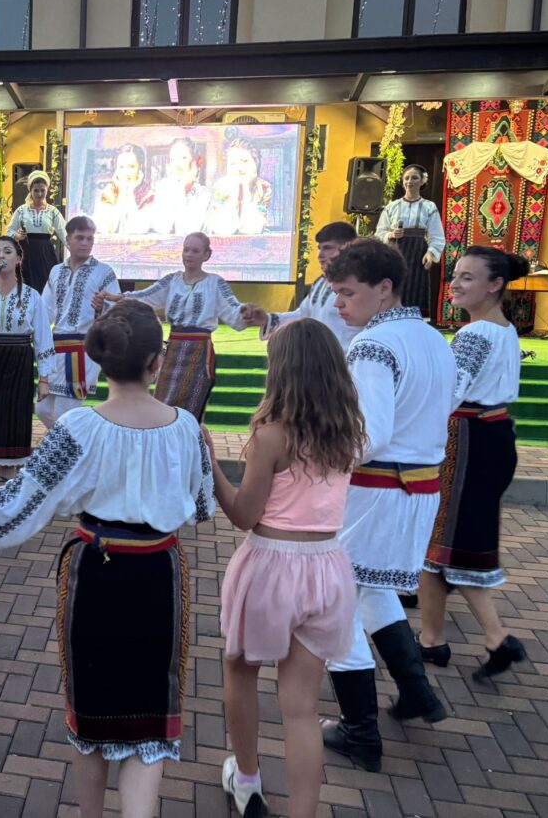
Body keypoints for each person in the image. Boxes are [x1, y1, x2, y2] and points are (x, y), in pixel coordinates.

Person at [0, 299, 216, 818]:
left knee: (91, 712)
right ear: (157, 361)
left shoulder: (79, 428)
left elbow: (18, 501)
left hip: (95, 577)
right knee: (150, 718)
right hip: (158, 574)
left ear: (101, 362)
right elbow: (200, 508)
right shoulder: (186, 428)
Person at [207, 319, 364, 818]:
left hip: (272, 566)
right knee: (301, 708)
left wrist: (211, 464)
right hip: (328, 569)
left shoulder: (272, 435)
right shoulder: (347, 433)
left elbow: (243, 515)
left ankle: (247, 780)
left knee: (240, 670)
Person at [320, 239, 456, 774]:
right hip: (418, 487)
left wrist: (312, 455)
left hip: (377, 488)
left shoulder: (373, 345)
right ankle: (416, 692)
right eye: (335, 293)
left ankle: (360, 730)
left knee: (338, 600)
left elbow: (367, 437)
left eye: (347, 293)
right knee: (371, 587)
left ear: (383, 289)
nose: (338, 303)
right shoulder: (432, 337)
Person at [418, 246, 530, 680]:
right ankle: (433, 639)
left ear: (496, 284)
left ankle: (491, 638)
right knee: (442, 545)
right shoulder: (504, 330)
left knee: (444, 542)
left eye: (468, 277)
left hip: (467, 439)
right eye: (456, 275)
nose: (456, 284)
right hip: (492, 436)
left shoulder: (474, 334)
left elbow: (448, 393)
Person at [97, 232, 248, 420]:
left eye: (195, 251)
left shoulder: (215, 283)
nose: (189, 255)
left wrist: (249, 314)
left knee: (190, 406)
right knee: (162, 400)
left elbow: (233, 309)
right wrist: (119, 298)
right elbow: (146, 296)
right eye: (186, 250)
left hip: (199, 350)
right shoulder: (172, 280)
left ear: (207, 255)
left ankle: (191, 437)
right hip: (171, 346)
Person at [0, 235, 54, 483]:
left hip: (18, 365)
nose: (1, 256)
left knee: (13, 429)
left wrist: (44, 379)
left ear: (19, 259)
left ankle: (8, 492)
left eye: (7, 252)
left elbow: (43, 338)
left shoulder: (32, 296)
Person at [37, 214, 120, 429]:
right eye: (80, 237)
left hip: (84, 347)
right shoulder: (56, 271)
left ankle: (67, 446)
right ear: (68, 239)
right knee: (42, 409)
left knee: (66, 412)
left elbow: (117, 311)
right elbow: (45, 310)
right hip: (56, 346)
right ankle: (74, 443)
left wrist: (101, 308)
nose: (85, 243)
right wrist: (36, 334)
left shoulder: (104, 272)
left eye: (90, 238)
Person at [244, 221, 361, 350]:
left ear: (347, 248)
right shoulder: (321, 282)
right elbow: (303, 314)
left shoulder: (361, 283)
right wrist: (267, 319)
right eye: (319, 248)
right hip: (320, 357)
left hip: (350, 357)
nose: (320, 255)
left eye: (327, 248)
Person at [375, 164, 444, 318]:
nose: (409, 181)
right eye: (406, 178)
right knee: (394, 284)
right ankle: (390, 318)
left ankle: (413, 321)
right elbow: (379, 233)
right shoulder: (392, 206)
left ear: (422, 181)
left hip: (417, 252)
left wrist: (430, 253)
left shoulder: (429, 206)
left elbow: (437, 235)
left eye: (414, 178)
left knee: (415, 287)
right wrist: (391, 234)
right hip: (395, 252)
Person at [8, 170, 67, 293]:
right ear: (30, 190)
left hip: (45, 253)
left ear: (47, 190)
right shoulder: (21, 210)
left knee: (46, 287)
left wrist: (77, 253)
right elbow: (9, 231)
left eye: (42, 190)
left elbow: (64, 233)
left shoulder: (53, 212)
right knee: (26, 286)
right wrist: (17, 235)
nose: (39, 194)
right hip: (25, 253)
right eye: (36, 190)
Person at [139, 137, 211, 237]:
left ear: (194, 162)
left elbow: (190, 230)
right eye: (173, 159)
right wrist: (180, 188)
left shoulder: (203, 193)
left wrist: (182, 187)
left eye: (183, 158)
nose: (177, 164)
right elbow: (162, 228)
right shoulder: (162, 187)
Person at [204, 138, 273, 238]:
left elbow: (254, 228)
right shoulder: (221, 188)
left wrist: (245, 194)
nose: (239, 169)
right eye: (232, 164)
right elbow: (218, 228)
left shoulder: (263, 188)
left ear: (256, 162)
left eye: (244, 161)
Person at [92, 143, 148, 237]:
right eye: (121, 167)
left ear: (140, 167)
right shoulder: (109, 191)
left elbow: (139, 228)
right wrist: (122, 193)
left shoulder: (147, 193)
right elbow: (108, 228)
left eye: (131, 166)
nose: (126, 173)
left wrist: (130, 192)